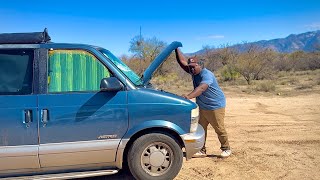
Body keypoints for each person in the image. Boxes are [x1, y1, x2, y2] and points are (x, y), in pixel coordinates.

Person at [175, 48, 231, 158]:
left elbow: (201, 88)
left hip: (215, 106)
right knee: (200, 129)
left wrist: (188, 96)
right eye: (190, 67)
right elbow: (182, 63)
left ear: (201, 66)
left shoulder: (207, 75)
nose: (191, 70)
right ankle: (201, 150)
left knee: (219, 128)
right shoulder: (194, 72)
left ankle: (226, 148)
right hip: (202, 106)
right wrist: (176, 49)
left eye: (193, 67)